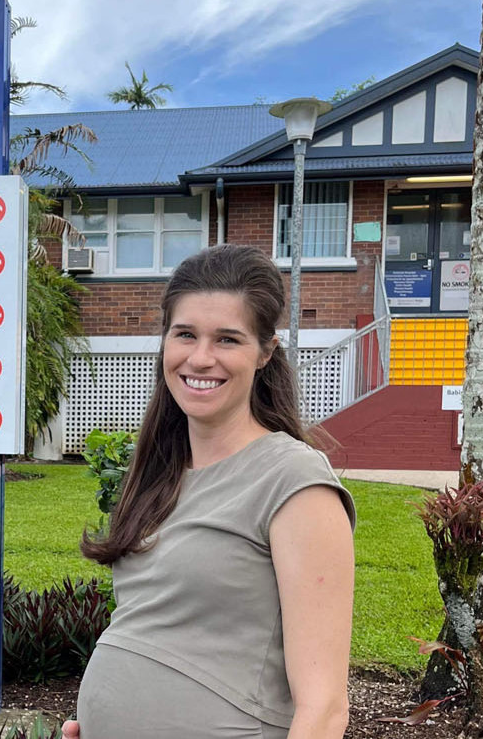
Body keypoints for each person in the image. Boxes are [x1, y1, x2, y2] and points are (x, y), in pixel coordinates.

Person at [61, 244, 355, 739]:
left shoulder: (295, 484)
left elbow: (325, 708)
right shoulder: (158, 471)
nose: (200, 358)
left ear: (264, 352)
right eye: (185, 335)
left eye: (227, 339)